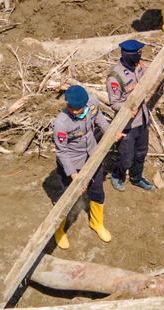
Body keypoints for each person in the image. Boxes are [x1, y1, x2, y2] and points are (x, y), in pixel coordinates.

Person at [52, 85, 115, 246]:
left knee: (98, 192)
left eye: (77, 108)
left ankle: (96, 223)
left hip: (92, 157)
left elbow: (99, 117)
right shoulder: (61, 123)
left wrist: (111, 132)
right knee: (65, 199)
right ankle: (59, 230)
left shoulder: (92, 102)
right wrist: (73, 174)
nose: (73, 111)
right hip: (72, 163)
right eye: (70, 107)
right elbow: (62, 151)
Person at [107, 39, 155, 192]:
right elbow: (114, 103)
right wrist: (127, 108)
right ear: (127, 55)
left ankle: (136, 177)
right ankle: (117, 175)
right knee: (126, 157)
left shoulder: (139, 67)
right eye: (137, 53)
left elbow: (151, 75)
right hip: (127, 124)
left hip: (142, 119)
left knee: (141, 152)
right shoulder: (115, 77)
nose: (139, 56)